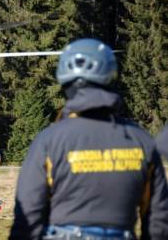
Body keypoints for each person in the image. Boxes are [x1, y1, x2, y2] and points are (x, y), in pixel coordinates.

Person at [9, 38, 168, 240]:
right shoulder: (141, 140)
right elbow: (158, 221)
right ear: (110, 76)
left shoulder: (49, 140)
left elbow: (28, 217)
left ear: (64, 81)